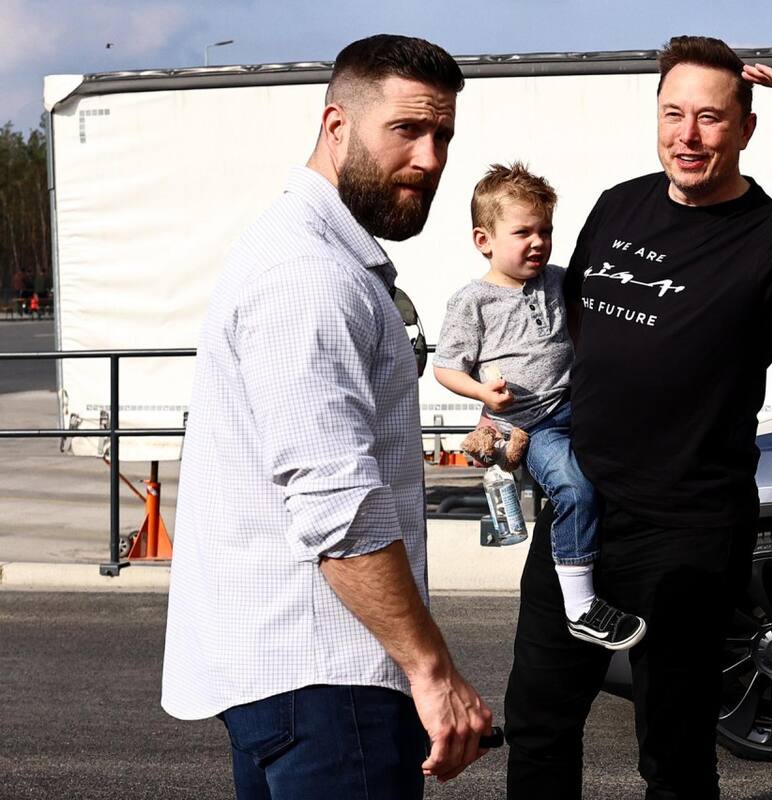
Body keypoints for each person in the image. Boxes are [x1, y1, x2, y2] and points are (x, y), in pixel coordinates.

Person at [503, 35, 772, 799]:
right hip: (581, 512)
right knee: (539, 722)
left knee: (674, 750)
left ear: (745, 128)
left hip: (689, 531)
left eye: (710, 119)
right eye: (673, 113)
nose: (687, 135)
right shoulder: (620, 204)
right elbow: (581, 338)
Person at [161, 34, 492, 798]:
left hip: (301, 679)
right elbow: (336, 504)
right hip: (328, 681)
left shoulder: (311, 254)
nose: (432, 157)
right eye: (406, 130)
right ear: (337, 126)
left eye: (442, 134)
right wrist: (432, 670)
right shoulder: (308, 276)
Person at [432, 162, 647, 650]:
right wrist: (483, 394)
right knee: (574, 488)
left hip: (579, 405)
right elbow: (446, 368)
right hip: (529, 426)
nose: (538, 241)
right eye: (522, 232)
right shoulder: (473, 302)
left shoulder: (558, 280)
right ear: (483, 239)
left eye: (545, 230)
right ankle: (580, 607)